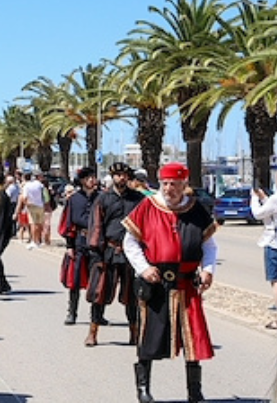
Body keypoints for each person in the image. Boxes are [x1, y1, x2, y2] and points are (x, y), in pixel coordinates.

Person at [122, 162, 218, 403]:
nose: (168, 189)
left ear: (184, 184)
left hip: (186, 284)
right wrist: (143, 268)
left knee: (192, 339)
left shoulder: (196, 210)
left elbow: (209, 246)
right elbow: (130, 243)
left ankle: (194, 391)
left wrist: (207, 270)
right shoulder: (147, 207)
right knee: (149, 336)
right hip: (156, 284)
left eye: (174, 184)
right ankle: (143, 389)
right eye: (165, 184)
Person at [84, 162, 144, 347]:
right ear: (113, 177)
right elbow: (96, 225)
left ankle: (134, 333)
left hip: (131, 254)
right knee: (99, 293)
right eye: (118, 175)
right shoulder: (103, 199)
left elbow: (145, 225)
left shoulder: (138, 199)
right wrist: (96, 251)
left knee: (132, 296)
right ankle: (92, 333)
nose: (121, 178)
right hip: (108, 252)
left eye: (124, 175)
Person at [59, 167, 98, 325]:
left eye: (93, 177)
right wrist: (69, 245)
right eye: (88, 178)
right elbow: (69, 222)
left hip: (96, 243)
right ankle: (72, 313)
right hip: (79, 243)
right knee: (74, 280)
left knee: (97, 280)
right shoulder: (74, 199)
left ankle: (97, 315)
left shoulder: (101, 198)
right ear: (82, 180)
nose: (91, 180)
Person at [250, 187, 277, 329]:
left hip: (274, 244)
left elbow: (258, 214)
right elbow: (272, 210)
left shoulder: (275, 199)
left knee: (275, 282)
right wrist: (264, 199)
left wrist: (254, 198)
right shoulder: (273, 200)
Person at [19, 170, 46, 249]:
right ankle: (39, 240)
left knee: (33, 224)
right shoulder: (40, 185)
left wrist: (27, 204)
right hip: (40, 205)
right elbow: (45, 196)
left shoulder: (27, 186)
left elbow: (24, 197)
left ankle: (34, 241)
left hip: (31, 206)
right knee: (40, 224)